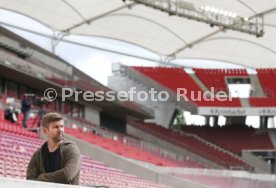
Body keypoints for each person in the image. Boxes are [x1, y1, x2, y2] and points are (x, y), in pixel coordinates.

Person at [26, 112, 81, 185]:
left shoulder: (71, 149)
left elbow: (66, 175)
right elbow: (30, 179)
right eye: (56, 127)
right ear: (45, 130)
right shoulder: (38, 154)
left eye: (61, 126)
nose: (60, 130)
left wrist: (41, 178)